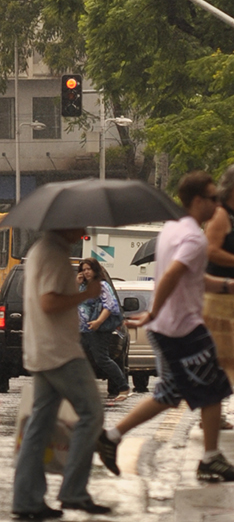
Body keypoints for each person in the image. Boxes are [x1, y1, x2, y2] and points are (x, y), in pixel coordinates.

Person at [101, 171, 234, 483]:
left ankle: (111, 436)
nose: (218, 204)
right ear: (198, 201)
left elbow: (193, 277)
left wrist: (228, 286)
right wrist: (153, 312)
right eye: (213, 198)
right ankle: (211, 458)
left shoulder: (173, 230)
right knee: (213, 387)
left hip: (171, 325)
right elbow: (173, 274)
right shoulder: (193, 238)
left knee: (171, 393)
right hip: (182, 326)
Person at [11, 224, 110, 520]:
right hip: (60, 352)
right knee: (91, 413)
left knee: (39, 423)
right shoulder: (53, 254)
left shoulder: (39, 250)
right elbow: (49, 302)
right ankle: (73, 492)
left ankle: (26, 498)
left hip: (41, 349)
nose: (84, 229)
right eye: (79, 223)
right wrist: (86, 294)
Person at [203, 162, 234, 428]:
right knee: (222, 358)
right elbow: (211, 251)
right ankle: (213, 412)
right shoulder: (221, 214)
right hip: (220, 297)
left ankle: (215, 411)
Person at [76, 258, 130, 402]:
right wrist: (77, 283)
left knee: (102, 359)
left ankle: (123, 387)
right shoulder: (83, 286)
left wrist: (98, 322)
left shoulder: (102, 285)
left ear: (95, 270)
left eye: (89, 269)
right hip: (82, 329)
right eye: (83, 269)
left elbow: (110, 306)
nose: (86, 272)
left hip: (97, 329)